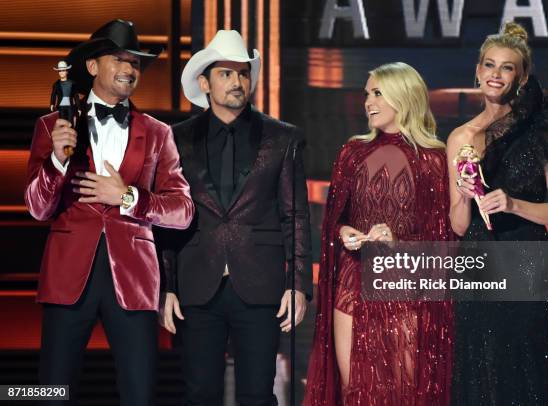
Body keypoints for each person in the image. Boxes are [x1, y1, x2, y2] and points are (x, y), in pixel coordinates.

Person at [24, 19, 194, 405]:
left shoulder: (157, 132)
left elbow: (182, 210)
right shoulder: (52, 126)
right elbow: (37, 207)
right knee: (50, 391)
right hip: (68, 276)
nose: (130, 69)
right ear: (92, 67)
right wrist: (55, 161)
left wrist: (129, 197)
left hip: (133, 280)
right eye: (119, 59)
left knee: (140, 393)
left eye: (135, 62)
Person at [158, 30, 312, 406]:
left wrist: (298, 285)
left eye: (242, 73)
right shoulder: (176, 139)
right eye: (225, 73)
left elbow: (296, 216)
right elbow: (167, 216)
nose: (237, 81)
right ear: (204, 82)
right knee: (200, 394)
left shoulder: (282, 138)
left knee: (258, 395)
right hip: (197, 284)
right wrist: (168, 286)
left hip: (260, 286)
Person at [447, 22, 548, 405]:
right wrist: (463, 196)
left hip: (525, 258)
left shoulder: (542, 132)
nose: (495, 74)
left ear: (521, 77)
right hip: (476, 261)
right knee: (478, 364)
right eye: (489, 65)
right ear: (476, 71)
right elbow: (458, 224)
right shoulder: (459, 138)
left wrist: (512, 204)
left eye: (506, 67)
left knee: (523, 363)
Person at [304, 62, 454, 405]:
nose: (368, 101)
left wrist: (398, 242)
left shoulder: (433, 159)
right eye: (366, 94)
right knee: (355, 392)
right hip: (353, 281)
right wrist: (344, 232)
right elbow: (333, 221)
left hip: (404, 286)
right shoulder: (352, 152)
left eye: (377, 93)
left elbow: (443, 239)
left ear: (403, 96)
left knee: (403, 392)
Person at [50, 60, 79, 128]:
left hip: (70, 106)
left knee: (70, 123)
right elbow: (53, 95)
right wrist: (52, 104)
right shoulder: (56, 84)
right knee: (62, 123)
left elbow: (76, 96)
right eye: (60, 71)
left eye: (63, 70)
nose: (61, 72)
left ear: (66, 71)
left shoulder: (72, 83)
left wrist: (78, 107)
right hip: (61, 107)